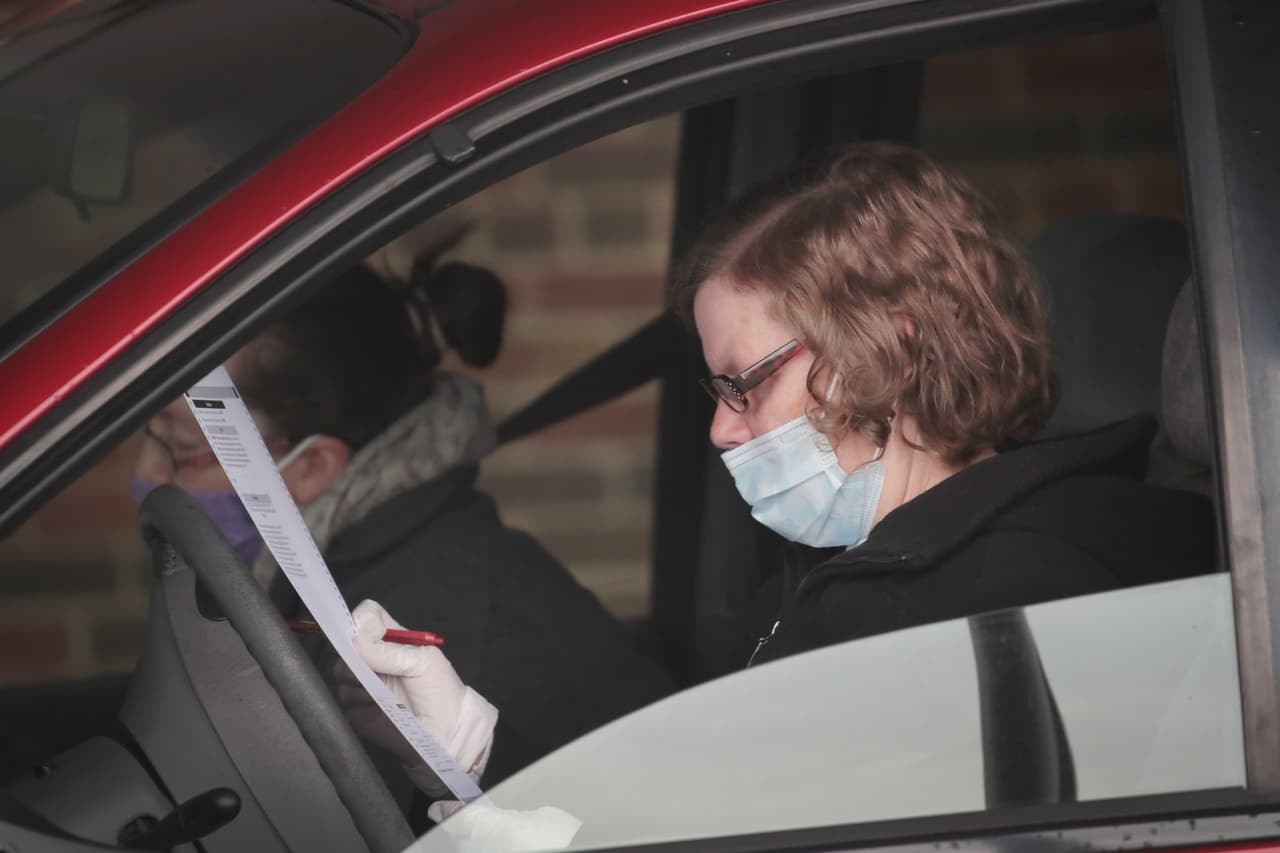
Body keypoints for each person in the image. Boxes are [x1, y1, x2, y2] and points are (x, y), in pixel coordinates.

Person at [350, 143, 1216, 832]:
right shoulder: (865, 569)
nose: (724, 427)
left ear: (896, 349)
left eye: (747, 383)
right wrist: (469, 746)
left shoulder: (997, 607)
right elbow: (705, 810)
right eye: (715, 391)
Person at [131, 237, 675, 796]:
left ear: (311, 465)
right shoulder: (341, 571)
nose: (147, 474)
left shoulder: (432, 618)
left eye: (177, 448)